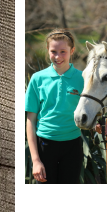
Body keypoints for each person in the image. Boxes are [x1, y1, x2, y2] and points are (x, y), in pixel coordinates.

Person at [25, 29, 84, 184]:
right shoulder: (37, 79)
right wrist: (36, 160)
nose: (58, 57)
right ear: (48, 51)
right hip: (45, 146)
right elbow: (30, 120)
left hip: (73, 145)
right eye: (54, 51)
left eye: (63, 51)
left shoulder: (83, 79)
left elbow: (92, 113)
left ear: (72, 51)